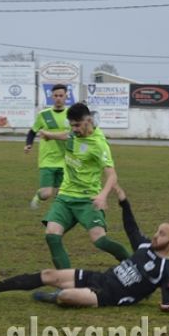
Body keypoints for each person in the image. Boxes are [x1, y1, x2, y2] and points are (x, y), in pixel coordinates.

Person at [0, 185, 169, 313]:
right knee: (49, 275)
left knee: (66, 296)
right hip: (100, 278)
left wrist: (168, 307)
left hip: (108, 296)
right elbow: (131, 228)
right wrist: (124, 202)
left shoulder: (166, 269)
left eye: (162, 234)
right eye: (157, 231)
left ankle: (55, 298)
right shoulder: (145, 245)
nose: (156, 235)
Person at [37, 102, 130, 269]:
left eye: (78, 125)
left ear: (88, 120)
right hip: (65, 196)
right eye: (72, 125)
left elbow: (112, 175)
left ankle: (133, 266)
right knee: (52, 235)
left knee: (100, 241)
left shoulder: (98, 144)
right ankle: (67, 283)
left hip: (88, 199)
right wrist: (50, 135)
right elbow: (68, 136)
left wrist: (102, 195)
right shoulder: (74, 134)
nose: (74, 129)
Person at [25, 84, 71, 209]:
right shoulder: (44, 114)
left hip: (66, 159)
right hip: (47, 159)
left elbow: (72, 135)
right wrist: (28, 144)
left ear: (66, 96)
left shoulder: (70, 115)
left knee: (61, 193)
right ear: (52, 97)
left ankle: (57, 216)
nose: (58, 98)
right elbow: (32, 131)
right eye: (56, 96)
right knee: (46, 193)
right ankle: (38, 196)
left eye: (61, 95)